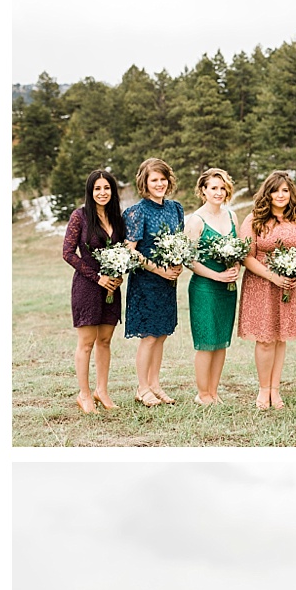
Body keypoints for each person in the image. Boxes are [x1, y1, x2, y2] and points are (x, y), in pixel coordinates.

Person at [238, 171, 296, 410]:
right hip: (261, 285)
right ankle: (263, 390)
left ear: (291, 193)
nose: (280, 195)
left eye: (284, 190)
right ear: (267, 193)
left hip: (292, 286)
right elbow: (246, 257)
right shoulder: (254, 220)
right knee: (265, 339)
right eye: (275, 190)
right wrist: (272, 276)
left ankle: (275, 390)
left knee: (281, 339)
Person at [123, 157, 186, 406]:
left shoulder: (175, 208)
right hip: (146, 282)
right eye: (154, 180)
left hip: (168, 283)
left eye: (163, 179)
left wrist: (178, 262)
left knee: (161, 334)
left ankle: (155, 384)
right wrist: (160, 270)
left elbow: (178, 243)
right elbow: (131, 250)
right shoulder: (137, 212)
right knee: (148, 336)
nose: (159, 184)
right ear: (144, 183)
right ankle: (142, 388)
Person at [61, 168, 125, 413]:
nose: (102, 192)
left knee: (106, 341)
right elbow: (67, 253)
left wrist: (118, 275)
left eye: (106, 188)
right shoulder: (80, 216)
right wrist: (97, 277)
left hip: (111, 288)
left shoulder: (116, 217)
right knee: (86, 342)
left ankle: (102, 391)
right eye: (97, 188)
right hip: (87, 286)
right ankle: (84, 394)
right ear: (90, 191)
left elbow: (123, 252)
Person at [183, 168, 242, 407]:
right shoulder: (196, 220)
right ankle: (202, 393)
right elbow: (189, 259)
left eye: (222, 187)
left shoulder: (232, 216)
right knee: (206, 341)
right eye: (213, 188)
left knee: (221, 341)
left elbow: (239, 248)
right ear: (203, 190)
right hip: (205, 288)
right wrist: (216, 276)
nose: (218, 192)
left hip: (228, 288)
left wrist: (235, 266)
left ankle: (214, 392)